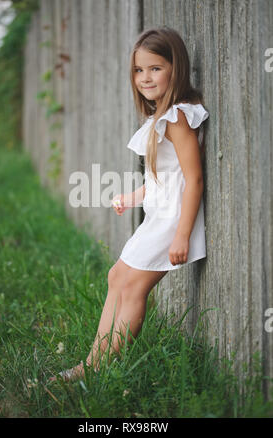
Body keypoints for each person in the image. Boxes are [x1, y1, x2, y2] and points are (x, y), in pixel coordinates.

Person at [49, 26, 209, 382]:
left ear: (175, 68)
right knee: (117, 276)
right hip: (161, 213)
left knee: (134, 285)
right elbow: (164, 178)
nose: (145, 77)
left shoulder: (178, 117)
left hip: (173, 220)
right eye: (139, 70)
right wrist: (133, 196)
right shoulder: (162, 117)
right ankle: (92, 362)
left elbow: (193, 179)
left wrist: (182, 235)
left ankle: (101, 369)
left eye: (155, 68)